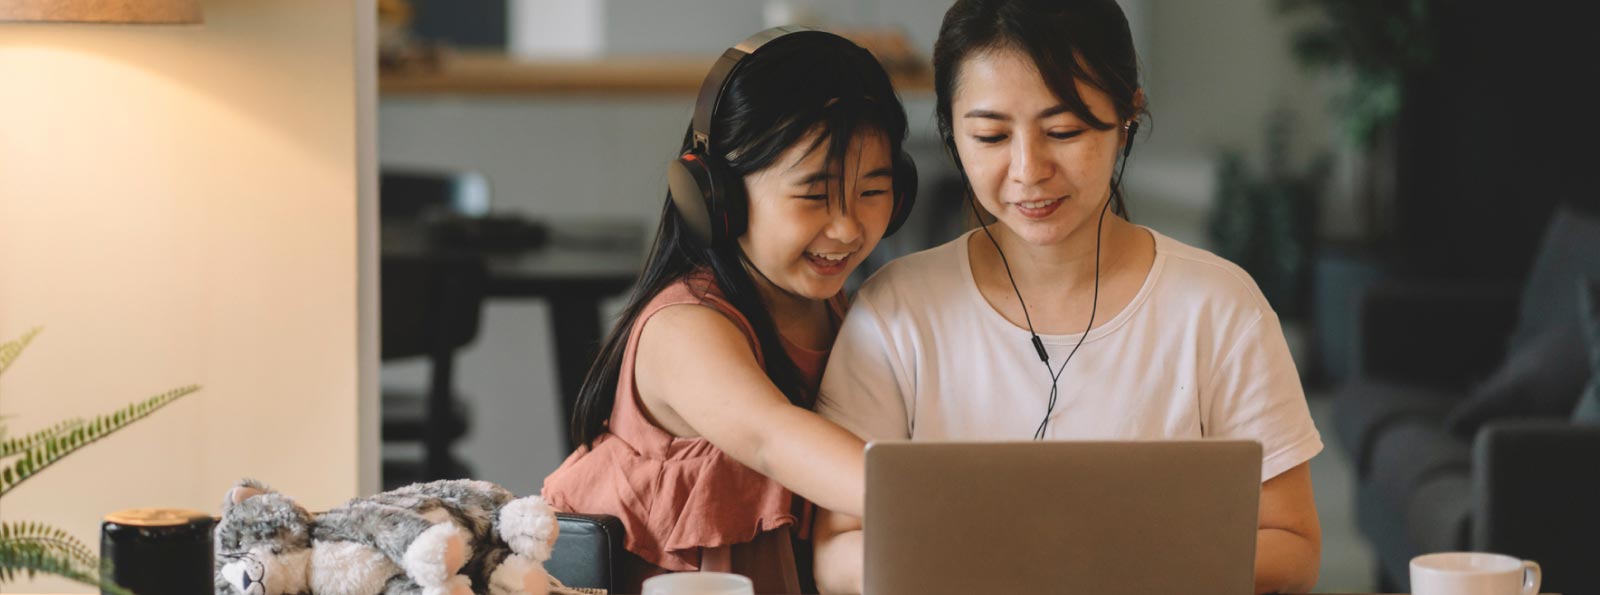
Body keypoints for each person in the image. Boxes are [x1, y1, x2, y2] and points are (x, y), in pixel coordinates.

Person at [811, 2, 1323, 593]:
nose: (1029, 169)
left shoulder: (1218, 308)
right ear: (952, 131)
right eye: (991, 135)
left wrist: (1112, 566)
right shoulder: (896, 312)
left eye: (1063, 131)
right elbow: (837, 548)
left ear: (1128, 115)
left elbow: (1293, 547)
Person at [541, 27, 916, 595]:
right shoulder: (684, 326)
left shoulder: (837, 311)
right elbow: (773, 437)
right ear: (718, 195)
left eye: (871, 192)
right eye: (814, 195)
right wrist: (943, 501)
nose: (846, 228)